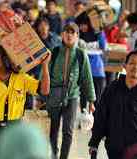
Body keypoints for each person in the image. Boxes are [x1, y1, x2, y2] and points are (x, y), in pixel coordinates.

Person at [0, 44, 51, 159]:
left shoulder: (21, 78)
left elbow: (44, 90)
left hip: (15, 129)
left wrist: (45, 66)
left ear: (4, 59)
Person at [88, 50, 137, 159]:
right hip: (114, 148)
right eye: (132, 63)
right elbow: (101, 117)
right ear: (125, 65)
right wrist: (94, 142)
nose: (136, 67)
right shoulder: (112, 89)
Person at [47, 22, 96, 159]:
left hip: (72, 96)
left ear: (77, 36)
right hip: (54, 95)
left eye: (72, 32)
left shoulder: (81, 55)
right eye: (66, 32)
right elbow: (45, 74)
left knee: (68, 131)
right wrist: (42, 95)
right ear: (62, 34)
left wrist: (91, 100)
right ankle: (53, 155)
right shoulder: (55, 52)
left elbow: (87, 78)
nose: (69, 35)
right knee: (53, 129)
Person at [76, 11, 107, 103]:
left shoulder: (98, 34)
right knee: (83, 99)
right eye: (80, 25)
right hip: (83, 71)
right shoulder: (78, 35)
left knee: (97, 99)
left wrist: (99, 32)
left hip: (97, 71)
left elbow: (103, 46)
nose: (82, 27)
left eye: (84, 25)